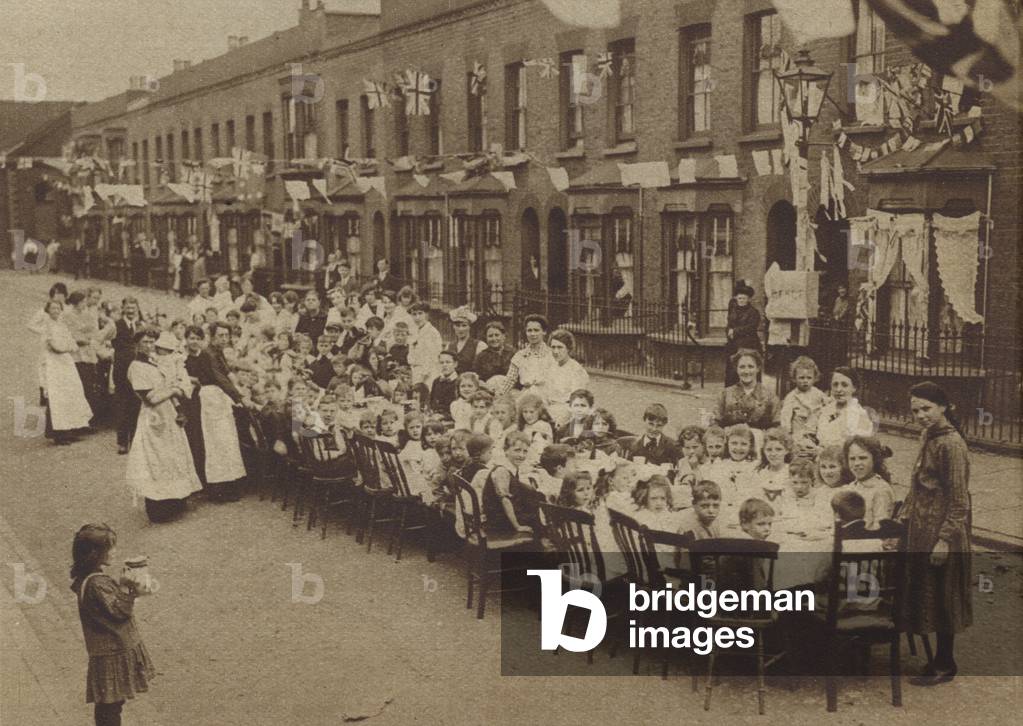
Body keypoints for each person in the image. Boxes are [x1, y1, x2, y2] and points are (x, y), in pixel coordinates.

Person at [900, 382, 972, 686]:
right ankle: (939, 660)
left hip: (943, 531)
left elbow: (959, 500)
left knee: (945, 597)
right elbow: (919, 482)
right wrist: (904, 513)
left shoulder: (951, 445)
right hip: (923, 527)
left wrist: (944, 539)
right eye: (915, 409)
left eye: (926, 408)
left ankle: (945, 662)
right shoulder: (929, 435)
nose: (920, 415)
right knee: (929, 594)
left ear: (943, 407)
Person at [70, 523, 156, 726]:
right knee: (111, 706)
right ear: (95, 554)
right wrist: (127, 588)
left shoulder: (89, 578)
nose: (114, 552)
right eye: (110, 549)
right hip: (113, 652)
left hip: (104, 652)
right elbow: (119, 611)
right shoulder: (97, 583)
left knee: (110, 703)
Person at [125, 329, 202, 521]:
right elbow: (151, 397)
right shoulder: (136, 367)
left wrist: (179, 410)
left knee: (172, 458)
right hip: (153, 419)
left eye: (152, 342)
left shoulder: (154, 362)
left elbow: (166, 386)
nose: (149, 346)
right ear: (137, 344)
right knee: (157, 460)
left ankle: (176, 502)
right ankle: (159, 509)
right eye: (145, 342)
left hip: (168, 414)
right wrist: (176, 390)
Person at [186, 322, 248, 501]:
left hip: (220, 397)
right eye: (220, 335)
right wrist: (239, 397)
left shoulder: (217, 352)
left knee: (226, 441)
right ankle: (218, 489)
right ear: (212, 336)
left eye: (226, 335)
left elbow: (228, 373)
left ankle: (230, 484)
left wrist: (241, 389)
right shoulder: (208, 354)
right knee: (216, 443)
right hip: (210, 397)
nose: (224, 338)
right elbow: (220, 378)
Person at [39, 300, 93, 444]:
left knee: (71, 394)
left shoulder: (61, 324)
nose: (56, 311)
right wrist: (67, 347)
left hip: (66, 363)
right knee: (58, 397)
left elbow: (72, 343)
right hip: (54, 364)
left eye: (58, 308)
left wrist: (68, 346)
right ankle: (58, 434)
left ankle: (69, 430)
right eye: (53, 308)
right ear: (48, 310)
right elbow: (55, 347)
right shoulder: (46, 326)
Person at [712, 349, 780, 435]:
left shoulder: (770, 396)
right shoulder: (725, 395)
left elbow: (777, 426)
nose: (746, 371)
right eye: (742, 367)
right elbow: (715, 424)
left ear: (758, 368)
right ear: (736, 369)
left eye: (750, 366)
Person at [816, 367, 875, 449]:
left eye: (844, 385)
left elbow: (857, 448)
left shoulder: (859, 414)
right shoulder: (826, 410)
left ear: (854, 388)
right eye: (835, 384)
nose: (839, 389)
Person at [497, 314, 555, 397]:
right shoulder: (520, 356)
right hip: (525, 396)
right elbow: (510, 380)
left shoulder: (551, 355)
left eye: (536, 330)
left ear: (544, 332)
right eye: (529, 330)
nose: (532, 334)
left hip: (547, 396)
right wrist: (499, 395)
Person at [545, 329, 590, 427]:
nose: (556, 351)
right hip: (550, 409)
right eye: (553, 347)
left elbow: (577, 400)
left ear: (568, 349)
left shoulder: (577, 370)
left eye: (560, 347)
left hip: (567, 413)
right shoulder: (552, 367)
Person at [724, 281, 762, 386]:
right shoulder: (733, 310)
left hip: (748, 344)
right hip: (733, 345)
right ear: (736, 299)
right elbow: (729, 324)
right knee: (732, 370)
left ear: (748, 299)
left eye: (744, 298)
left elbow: (751, 327)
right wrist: (728, 332)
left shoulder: (753, 312)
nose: (741, 301)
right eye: (739, 298)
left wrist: (735, 331)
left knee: (747, 368)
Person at [408, 302, 443, 387]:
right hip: (416, 371)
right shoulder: (415, 331)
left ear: (426, 314)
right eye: (414, 314)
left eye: (420, 313)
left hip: (428, 374)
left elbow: (432, 357)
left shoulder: (431, 333)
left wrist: (422, 378)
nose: (417, 317)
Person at [446, 306, 486, 374]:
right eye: (457, 326)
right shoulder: (449, 346)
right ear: (453, 327)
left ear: (469, 327)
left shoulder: (479, 345)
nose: (460, 329)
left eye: (464, 325)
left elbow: (481, 370)